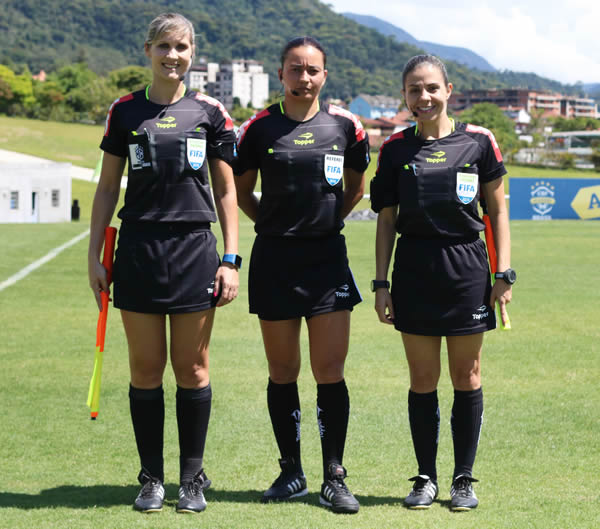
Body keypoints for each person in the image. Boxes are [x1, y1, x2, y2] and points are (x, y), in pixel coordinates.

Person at [87, 12, 240, 514]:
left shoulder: (210, 111)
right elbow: (109, 187)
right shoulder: (125, 111)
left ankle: (191, 479)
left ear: (192, 53)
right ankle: (152, 478)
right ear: (148, 50)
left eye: (182, 47)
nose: (173, 56)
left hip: (196, 249)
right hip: (139, 251)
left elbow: (225, 190)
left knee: (192, 367)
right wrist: (95, 256)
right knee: (145, 367)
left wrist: (231, 259)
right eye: (164, 47)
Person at [371, 54, 514, 511]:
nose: (424, 96)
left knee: (466, 375)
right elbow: (386, 220)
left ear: (449, 90)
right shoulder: (394, 149)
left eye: (432, 87)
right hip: (414, 270)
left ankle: (464, 480)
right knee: (422, 378)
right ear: (405, 96)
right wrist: (380, 283)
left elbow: (497, 212)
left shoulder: (478, 142)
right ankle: (425, 478)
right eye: (414, 89)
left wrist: (503, 273)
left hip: (467, 269)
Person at [234, 36, 369, 514]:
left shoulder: (346, 127)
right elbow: (240, 192)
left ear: (325, 76)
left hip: (327, 260)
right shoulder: (259, 129)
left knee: (329, 371)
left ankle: (334, 475)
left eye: (313, 70)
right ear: (281, 74)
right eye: (296, 69)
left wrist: (328, 219)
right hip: (274, 260)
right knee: (282, 370)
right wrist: (271, 225)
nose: (304, 78)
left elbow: (355, 188)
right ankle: (291, 470)